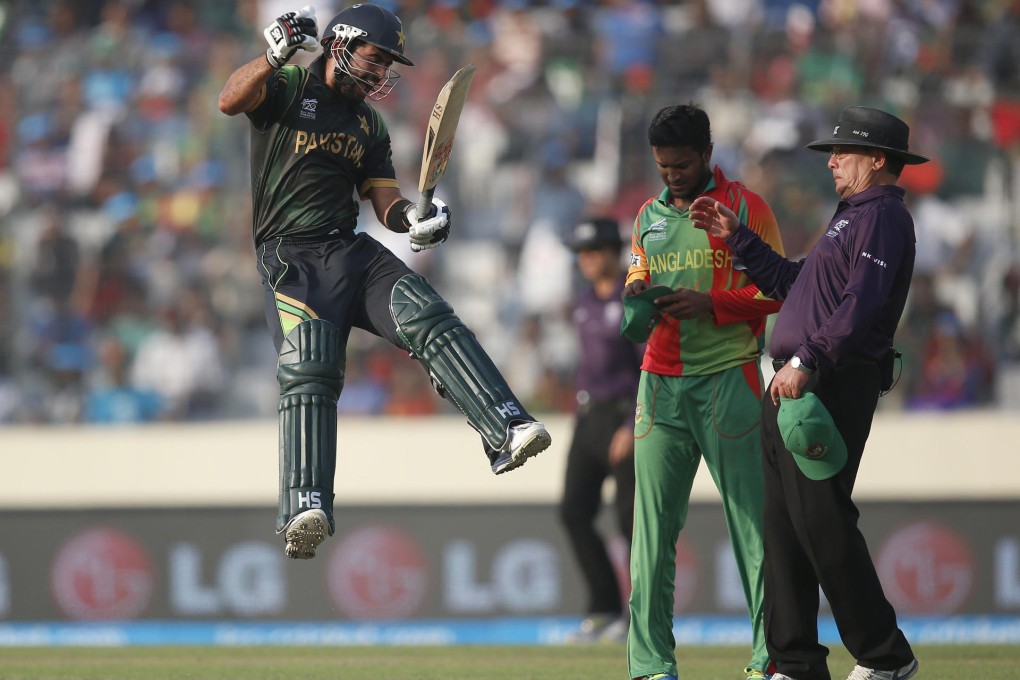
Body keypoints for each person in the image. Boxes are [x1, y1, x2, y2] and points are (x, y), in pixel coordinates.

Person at [217, 4, 550, 560]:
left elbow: (384, 202)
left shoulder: (369, 124)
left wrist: (417, 219)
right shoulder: (290, 83)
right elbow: (230, 99)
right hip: (292, 255)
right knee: (311, 368)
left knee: (428, 314)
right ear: (342, 43)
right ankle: (305, 503)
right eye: (376, 59)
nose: (380, 74)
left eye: (388, 64)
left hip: (348, 250)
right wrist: (271, 57)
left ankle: (505, 425)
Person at [690, 106, 926, 680]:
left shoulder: (883, 218)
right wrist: (739, 239)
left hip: (828, 381)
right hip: (796, 382)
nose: (833, 161)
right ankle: (793, 662)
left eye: (843, 152)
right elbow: (797, 286)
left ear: (878, 160)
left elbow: (862, 304)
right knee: (783, 526)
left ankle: (884, 657)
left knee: (822, 521)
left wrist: (808, 359)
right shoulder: (852, 216)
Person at [622, 104, 784, 680]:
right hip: (658, 387)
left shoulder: (746, 208)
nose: (672, 175)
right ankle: (650, 667)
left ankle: (771, 661)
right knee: (651, 535)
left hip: (729, 380)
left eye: (682, 165)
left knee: (755, 530)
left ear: (707, 155)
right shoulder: (647, 216)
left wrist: (710, 305)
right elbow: (634, 282)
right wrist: (637, 299)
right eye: (663, 166)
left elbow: (779, 291)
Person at [560, 217, 641, 644]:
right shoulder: (584, 302)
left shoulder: (633, 298)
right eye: (582, 253)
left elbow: (648, 367)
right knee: (574, 511)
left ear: (613, 253)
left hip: (626, 416)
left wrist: (631, 425)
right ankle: (603, 609)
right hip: (589, 416)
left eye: (594, 251)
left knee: (630, 523)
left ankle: (640, 620)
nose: (586, 260)